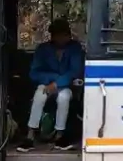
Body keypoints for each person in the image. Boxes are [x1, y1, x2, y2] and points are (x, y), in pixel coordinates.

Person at [17, 19, 84, 152]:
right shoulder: (43, 49)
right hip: (46, 85)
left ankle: (60, 136)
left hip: (67, 87)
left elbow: (75, 71)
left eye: (64, 34)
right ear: (52, 35)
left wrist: (57, 83)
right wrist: (52, 81)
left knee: (63, 97)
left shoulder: (75, 48)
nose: (61, 38)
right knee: (39, 95)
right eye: (57, 34)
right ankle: (30, 136)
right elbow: (34, 73)